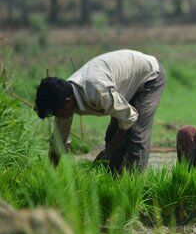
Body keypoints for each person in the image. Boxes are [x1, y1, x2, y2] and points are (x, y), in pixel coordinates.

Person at [34, 49, 166, 171]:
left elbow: (129, 118)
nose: (56, 116)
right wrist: (50, 181)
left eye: (55, 112)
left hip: (149, 76)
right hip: (121, 83)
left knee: (137, 134)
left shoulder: (97, 91)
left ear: (67, 102)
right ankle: (114, 181)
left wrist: (108, 152)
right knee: (112, 135)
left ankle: (135, 185)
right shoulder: (62, 100)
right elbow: (58, 144)